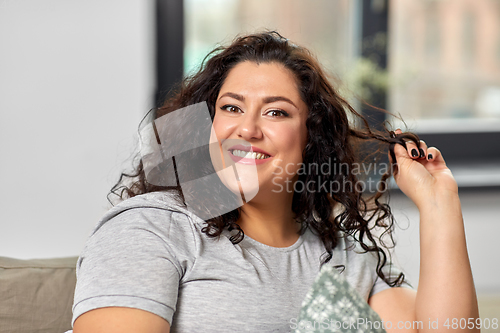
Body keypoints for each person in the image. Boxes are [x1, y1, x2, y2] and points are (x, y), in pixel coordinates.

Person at [70, 31, 479, 333]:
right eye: (231, 107)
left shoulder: (344, 258)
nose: (246, 129)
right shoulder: (153, 228)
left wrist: (439, 204)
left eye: (276, 113)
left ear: (310, 136)